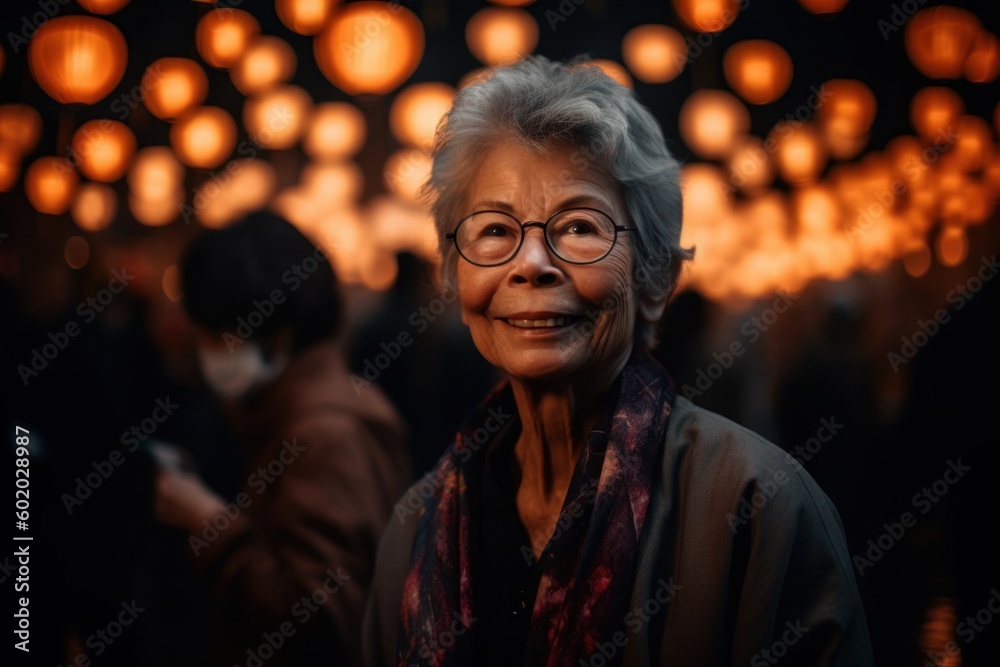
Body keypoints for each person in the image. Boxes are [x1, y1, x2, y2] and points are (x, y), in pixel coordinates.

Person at [362, 56, 875, 666]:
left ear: (656, 275)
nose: (531, 263)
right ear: (457, 277)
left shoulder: (758, 507)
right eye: (495, 230)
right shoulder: (417, 526)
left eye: (579, 226)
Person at [153, 210, 412, 666]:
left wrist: (210, 524)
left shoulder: (321, 431)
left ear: (279, 337)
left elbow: (325, 624)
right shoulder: (310, 407)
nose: (207, 350)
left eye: (221, 336)